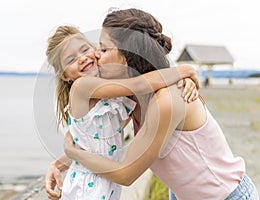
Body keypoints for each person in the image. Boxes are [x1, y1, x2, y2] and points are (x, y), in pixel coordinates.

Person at [63, 8, 259, 200]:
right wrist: (61, 163)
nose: (95, 54)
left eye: (104, 49)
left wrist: (74, 153)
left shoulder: (168, 99)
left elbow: (125, 174)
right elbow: (97, 134)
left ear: (128, 56)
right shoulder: (130, 99)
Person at [45, 25, 199, 199]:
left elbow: (88, 144)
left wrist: (181, 81)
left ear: (94, 49)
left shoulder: (110, 98)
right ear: (65, 76)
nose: (81, 58)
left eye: (84, 49)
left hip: (106, 184)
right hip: (87, 188)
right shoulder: (81, 87)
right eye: (71, 59)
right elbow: (139, 84)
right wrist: (184, 71)